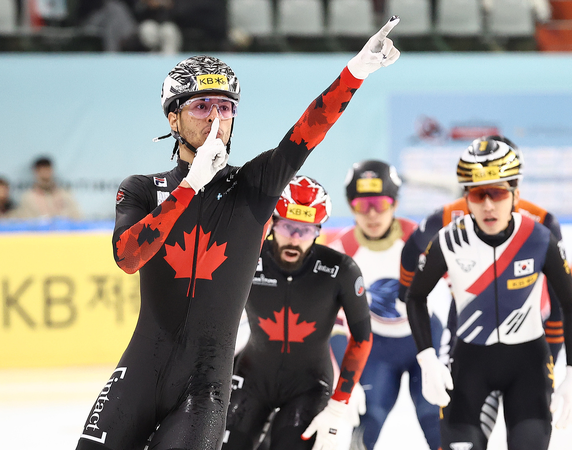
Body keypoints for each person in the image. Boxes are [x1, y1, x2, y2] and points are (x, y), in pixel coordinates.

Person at [74, 17, 401, 450]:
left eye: (225, 108)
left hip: (205, 388)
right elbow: (129, 256)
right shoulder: (141, 188)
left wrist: (356, 71)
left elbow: (308, 131)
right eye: (201, 107)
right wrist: (189, 187)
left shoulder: (254, 187)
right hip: (139, 373)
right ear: (174, 119)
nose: (216, 118)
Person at [405, 137, 572, 450]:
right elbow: (414, 297)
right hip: (469, 365)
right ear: (466, 197)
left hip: (528, 365)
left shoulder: (539, 237)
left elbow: (569, 305)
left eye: (498, 192)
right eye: (478, 194)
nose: (488, 205)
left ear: (516, 193)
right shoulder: (448, 240)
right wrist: (428, 360)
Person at [223, 176, 371, 450]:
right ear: (272, 224)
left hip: (310, 387)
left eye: (305, 231)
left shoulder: (341, 270)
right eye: (288, 227)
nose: (294, 239)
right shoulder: (244, 260)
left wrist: (340, 402)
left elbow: (361, 337)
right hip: (252, 380)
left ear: (318, 231)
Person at [327, 160, 442, 450]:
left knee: (433, 416)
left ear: (395, 203)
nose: (372, 214)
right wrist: (345, 378)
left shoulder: (419, 240)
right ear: (351, 207)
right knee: (371, 418)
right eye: (362, 206)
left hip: (425, 340)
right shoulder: (341, 251)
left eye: (380, 203)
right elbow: (335, 324)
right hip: (377, 349)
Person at [16, 156, 82, 220]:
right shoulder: (28, 197)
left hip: (63, 230)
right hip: (39, 231)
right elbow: (26, 221)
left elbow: (77, 217)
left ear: (52, 171)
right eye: (41, 171)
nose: (45, 174)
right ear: (35, 173)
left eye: (47, 170)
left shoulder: (65, 195)